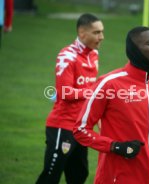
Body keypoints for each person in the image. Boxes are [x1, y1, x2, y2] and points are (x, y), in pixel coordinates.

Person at [73, 26, 149, 184]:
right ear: (135, 50)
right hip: (118, 177)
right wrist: (115, 146)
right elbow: (80, 130)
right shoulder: (109, 83)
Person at [36, 13, 104, 184]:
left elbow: (87, 93)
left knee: (79, 175)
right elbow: (65, 93)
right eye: (96, 32)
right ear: (82, 33)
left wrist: (97, 118)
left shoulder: (94, 55)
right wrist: (93, 92)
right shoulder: (67, 56)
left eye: (101, 32)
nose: (101, 37)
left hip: (81, 126)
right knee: (50, 177)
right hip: (62, 126)